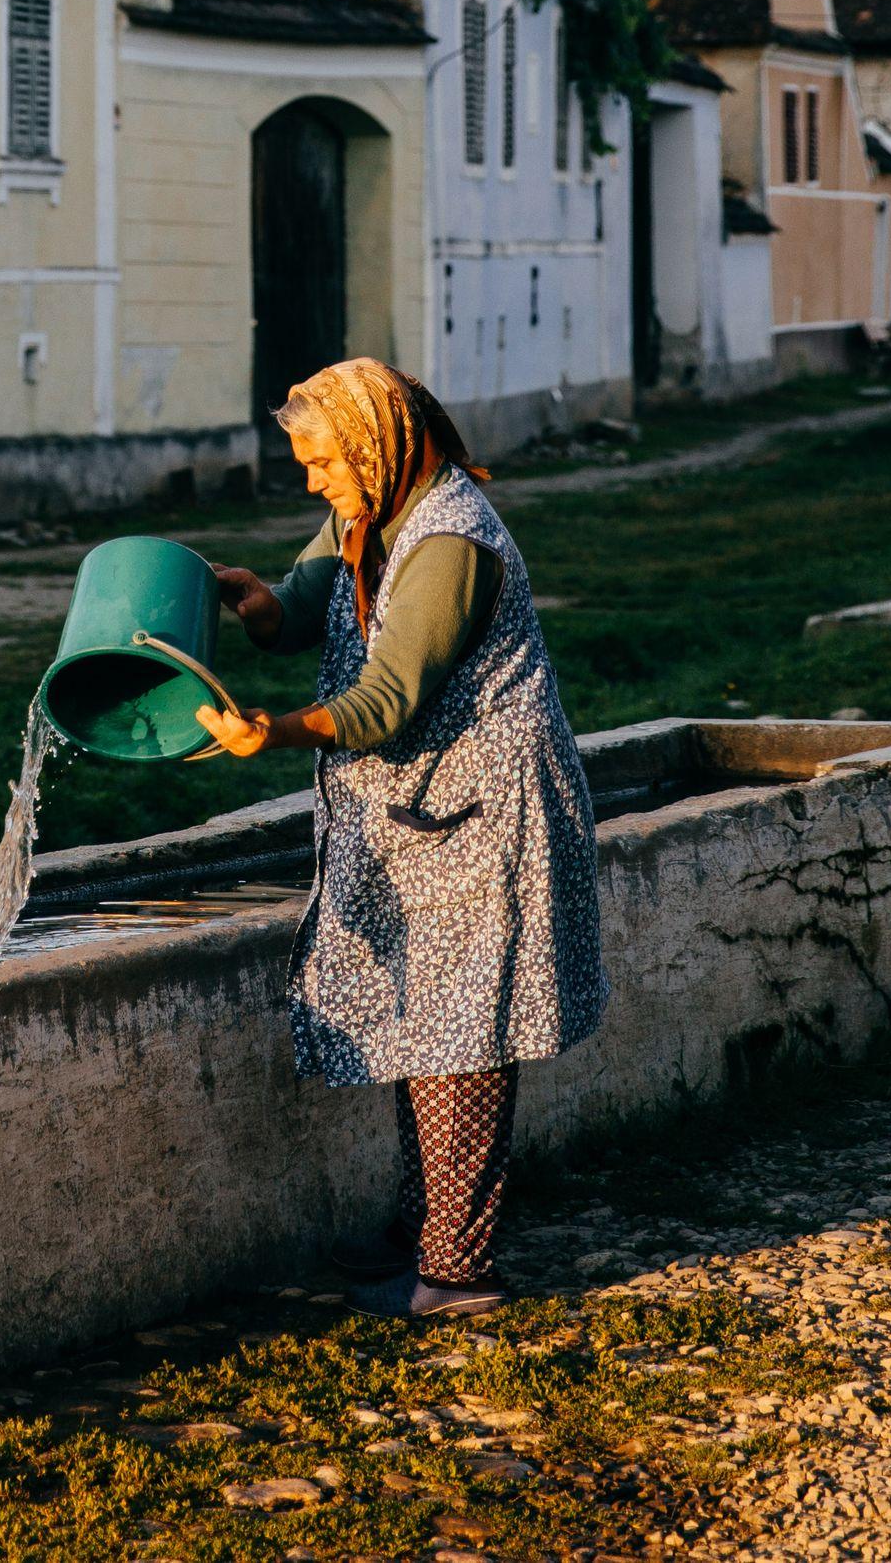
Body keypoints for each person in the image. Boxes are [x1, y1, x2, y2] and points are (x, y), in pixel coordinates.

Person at [193, 356, 610, 1320]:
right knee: (424, 1018)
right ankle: (425, 1225)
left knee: (465, 1034)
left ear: (375, 447)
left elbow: (387, 698)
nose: (313, 481)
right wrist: (257, 603)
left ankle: (456, 1273)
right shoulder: (371, 511)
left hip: (485, 815)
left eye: (322, 462)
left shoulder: (451, 540)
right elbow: (307, 606)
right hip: (424, 809)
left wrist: (275, 730)